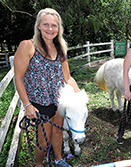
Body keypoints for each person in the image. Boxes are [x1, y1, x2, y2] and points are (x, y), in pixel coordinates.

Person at [14, 8, 79, 167]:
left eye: (54, 26)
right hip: (40, 102)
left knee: (58, 131)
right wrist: (27, 105)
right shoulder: (27, 46)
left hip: (59, 100)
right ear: (38, 26)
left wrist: (79, 97)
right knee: (44, 139)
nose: (50, 29)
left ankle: (58, 160)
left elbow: (67, 77)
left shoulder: (60, 47)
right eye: (46, 25)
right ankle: (39, 164)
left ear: (59, 28)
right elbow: (19, 77)